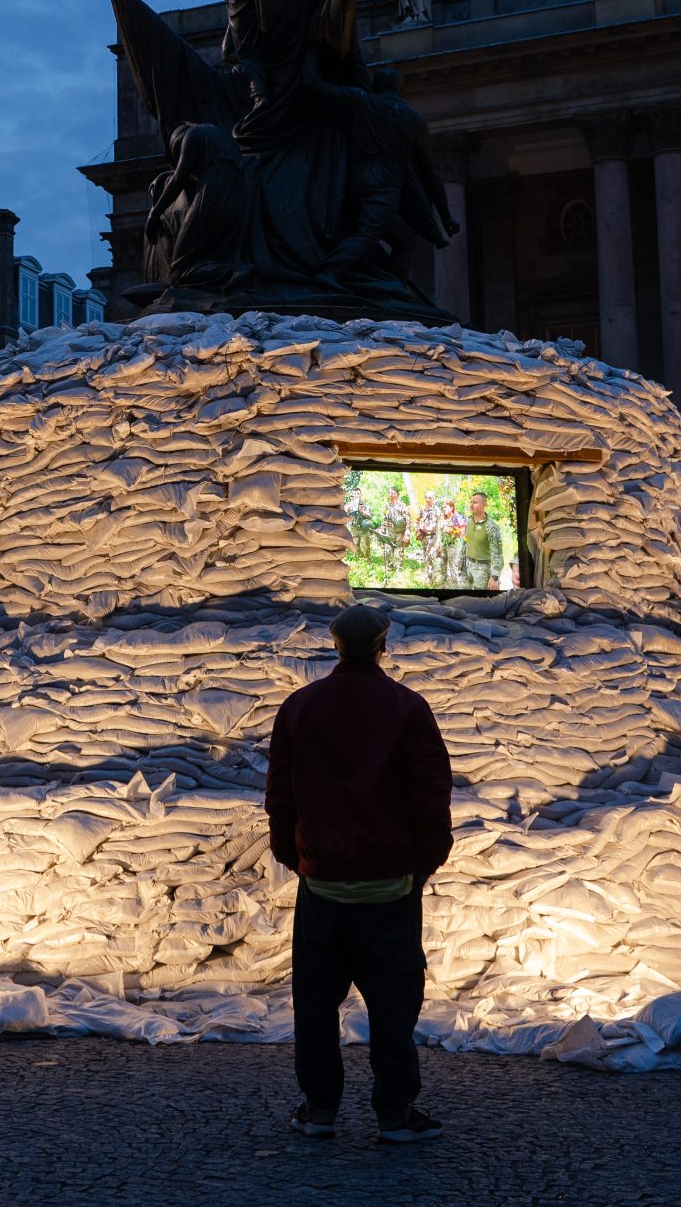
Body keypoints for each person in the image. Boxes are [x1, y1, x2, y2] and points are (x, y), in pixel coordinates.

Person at [265, 604, 453, 1143]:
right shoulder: (408, 708)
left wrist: (294, 857)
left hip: (322, 885)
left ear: (335, 645)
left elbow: (281, 796)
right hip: (391, 888)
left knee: (316, 1004)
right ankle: (395, 1113)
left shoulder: (299, 708)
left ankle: (320, 1109)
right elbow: (430, 795)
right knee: (394, 1007)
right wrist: (424, 864)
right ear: (382, 645)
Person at [461, 490, 506, 592]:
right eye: (471, 502)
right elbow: (465, 543)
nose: (472, 505)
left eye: (475, 502)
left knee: (480, 600)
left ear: (485, 504)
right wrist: (461, 560)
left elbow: (497, 553)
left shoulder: (491, 527)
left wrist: (495, 577)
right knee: (464, 597)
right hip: (467, 566)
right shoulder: (468, 521)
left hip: (482, 569)